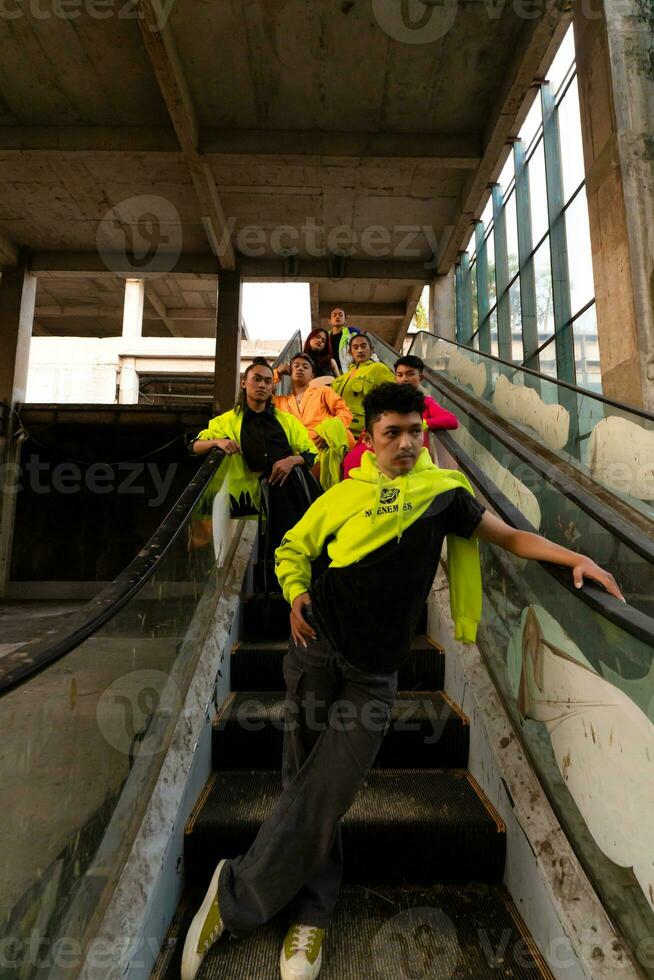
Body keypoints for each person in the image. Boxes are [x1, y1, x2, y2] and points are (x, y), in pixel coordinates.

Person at [181, 382, 624, 980]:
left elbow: (511, 537)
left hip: (374, 674)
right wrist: (295, 593)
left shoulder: (445, 495)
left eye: (416, 430)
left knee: (326, 790)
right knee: (306, 787)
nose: (408, 442)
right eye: (393, 432)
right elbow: (290, 549)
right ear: (369, 438)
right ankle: (311, 913)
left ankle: (232, 895)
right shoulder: (342, 496)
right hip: (315, 652)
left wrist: (572, 559)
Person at [190, 358, 319, 552]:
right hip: (242, 503)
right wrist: (217, 442)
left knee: (280, 557)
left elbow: (312, 453)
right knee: (241, 566)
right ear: (244, 382)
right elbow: (193, 446)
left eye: (268, 381)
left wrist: (292, 460)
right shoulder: (226, 421)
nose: (262, 385)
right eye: (256, 379)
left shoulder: (286, 420)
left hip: (282, 503)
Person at [342, 353, 460, 474]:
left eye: (410, 374)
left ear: (421, 377)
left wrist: (424, 424)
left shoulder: (426, 402)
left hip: (412, 463)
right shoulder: (386, 400)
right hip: (382, 459)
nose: (405, 379)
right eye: (400, 375)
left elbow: (451, 420)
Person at [273, 353, 355, 488]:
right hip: (300, 459)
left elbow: (345, 412)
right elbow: (258, 389)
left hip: (326, 451)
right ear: (290, 372)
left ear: (312, 376)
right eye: (296, 366)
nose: (300, 369)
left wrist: (328, 433)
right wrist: (278, 372)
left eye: (305, 367)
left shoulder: (323, 391)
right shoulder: (281, 402)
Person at [331, 333, 395, 437]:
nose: (360, 350)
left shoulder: (378, 368)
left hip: (362, 434)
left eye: (363, 346)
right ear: (350, 352)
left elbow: (393, 399)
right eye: (355, 347)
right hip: (339, 431)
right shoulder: (343, 377)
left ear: (371, 349)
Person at [328, 308, 360, 374]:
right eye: (334, 315)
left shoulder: (352, 333)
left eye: (340, 315)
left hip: (349, 372)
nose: (337, 317)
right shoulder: (326, 336)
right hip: (330, 373)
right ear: (330, 321)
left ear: (345, 320)